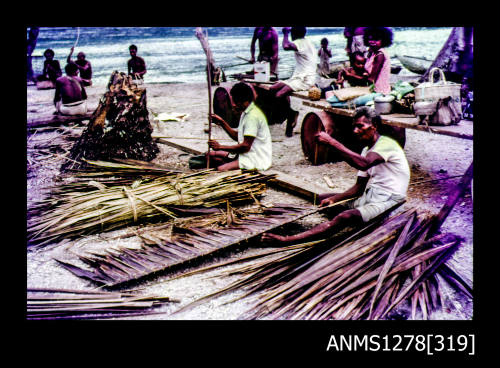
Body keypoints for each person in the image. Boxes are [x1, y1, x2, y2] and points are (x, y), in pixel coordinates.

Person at [261, 106, 410, 246]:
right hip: (370, 196)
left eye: (361, 126)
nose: (356, 131)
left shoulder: (386, 144)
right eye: (354, 127)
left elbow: (363, 164)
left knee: (345, 217)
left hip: (390, 201)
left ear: (375, 126)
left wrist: (332, 142)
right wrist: (334, 199)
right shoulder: (366, 149)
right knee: (322, 198)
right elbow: (358, 188)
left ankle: (287, 240)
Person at [207, 82, 272, 172]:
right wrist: (222, 122)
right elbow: (238, 136)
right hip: (246, 154)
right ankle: (231, 162)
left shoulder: (252, 117)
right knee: (210, 155)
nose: (234, 105)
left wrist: (220, 147)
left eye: (236, 102)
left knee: (220, 169)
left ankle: (232, 165)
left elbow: (245, 146)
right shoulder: (246, 112)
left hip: (256, 158)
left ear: (244, 101)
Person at [269, 27, 317, 137]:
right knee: (272, 89)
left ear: (293, 34)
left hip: (305, 79)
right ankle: (290, 112)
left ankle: (291, 115)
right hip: (298, 77)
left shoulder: (301, 42)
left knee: (279, 95)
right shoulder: (305, 42)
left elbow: (286, 46)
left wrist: (285, 33)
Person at [363, 27, 393, 94]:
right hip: (372, 88)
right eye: (370, 39)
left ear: (383, 41)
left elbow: (371, 78)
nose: (372, 42)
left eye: (376, 40)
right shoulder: (373, 52)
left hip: (379, 91)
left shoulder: (380, 55)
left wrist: (351, 75)